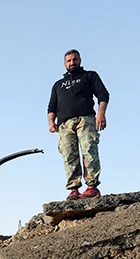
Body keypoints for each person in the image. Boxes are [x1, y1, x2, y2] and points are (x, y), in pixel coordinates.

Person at [47, 49, 110, 200]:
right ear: (64, 64)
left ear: (79, 60)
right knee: (69, 154)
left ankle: (92, 186)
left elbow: (103, 94)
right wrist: (51, 122)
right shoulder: (58, 85)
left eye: (74, 59)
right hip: (64, 124)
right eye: (68, 61)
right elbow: (51, 107)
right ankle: (74, 189)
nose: (72, 62)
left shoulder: (89, 76)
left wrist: (101, 113)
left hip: (86, 118)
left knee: (89, 149)